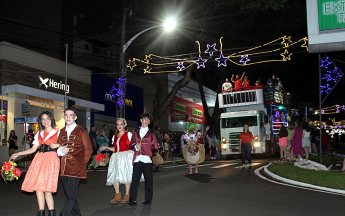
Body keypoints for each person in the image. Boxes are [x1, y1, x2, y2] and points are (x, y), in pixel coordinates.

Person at [11, 111, 60, 216]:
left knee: (47, 188)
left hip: (51, 159)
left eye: (47, 118)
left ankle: (51, 212)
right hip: (39, 159)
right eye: (43, 119)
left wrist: (57, 144)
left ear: (51, 119)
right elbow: (33, 149)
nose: (45, 121)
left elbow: (65, 145)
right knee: (38, 186)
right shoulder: (39, 133)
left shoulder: (58, 133)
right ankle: (41, 212)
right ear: (41, 122)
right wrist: (18, 153)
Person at [57, 107, 93, 216]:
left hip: (76, 168)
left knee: (71, 196)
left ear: (75, 117)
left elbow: (89, 149)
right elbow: (57, 148)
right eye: (66, 115)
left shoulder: (82, 131)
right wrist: (60, 150)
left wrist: (82, 163)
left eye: (70, 115)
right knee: (71, 196)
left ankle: (64, 214)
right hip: (64, 168)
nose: (68, 117)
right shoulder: (61, 132)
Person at [126, 113, 159, 207]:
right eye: (145, 119)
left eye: (148, 120)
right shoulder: (135, 133)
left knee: (148, 181)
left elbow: (155, 146)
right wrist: (136, 146)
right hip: (137, 159)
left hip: (147, 160)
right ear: (141, 120)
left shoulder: (151, 134)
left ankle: (148, 200)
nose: (146, 121)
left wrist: (146, 149)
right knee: (134, 180)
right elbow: (131, 144)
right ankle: (132, 200)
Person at [100, 118, 133, 204]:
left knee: (126, 175)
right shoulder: (115, 136)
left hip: (126, 156)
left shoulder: (129, 134)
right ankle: (117, 195)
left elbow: (133, 145)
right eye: (118, 124)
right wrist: (106, 147)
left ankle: (127, 195)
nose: (119, 126)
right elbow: (115, 148)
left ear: (124, 125)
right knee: (114, 175)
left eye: (121, 124)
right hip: (116, 156)